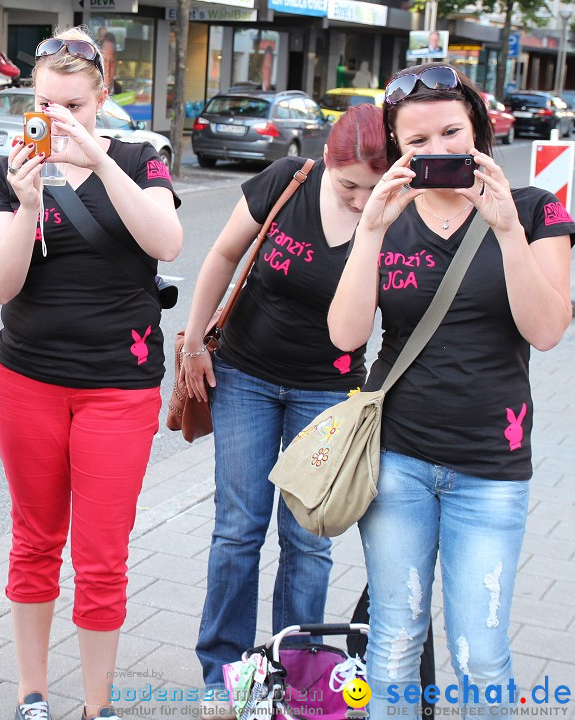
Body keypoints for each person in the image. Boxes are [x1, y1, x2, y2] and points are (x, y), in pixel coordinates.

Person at [328, 64, 573, 713]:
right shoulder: (388, 219)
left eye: (450, 132)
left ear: (478, 129)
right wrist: (373, 229)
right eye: (416, 144)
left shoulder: (533, 209)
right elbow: (346, 337)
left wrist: (506, 231)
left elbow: (547, 330)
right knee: (393, 642)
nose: (437, 152)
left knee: (481, 654)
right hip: (396, 462)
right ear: (397, 152)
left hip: (490, 470)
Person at [0, 27, 182, 720]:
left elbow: (166, 240)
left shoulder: (138, 157)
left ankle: (100, 706)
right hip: (28, 382)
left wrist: (95, 157)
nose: (56, 116)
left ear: (102, 97)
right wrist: (29, 202)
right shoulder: (14, 169)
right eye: (44, 102)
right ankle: (31, 692)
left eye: (72, 103)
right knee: (35, 539)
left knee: (102, 556)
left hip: (118, 389)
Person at [180, 104, 386, 713]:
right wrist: (193, 343)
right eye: (349, 186)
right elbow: (221, 257)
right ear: (326, 162)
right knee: (238, 528)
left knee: (309, 539)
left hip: (329, 393)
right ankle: (225, 673)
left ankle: (298, 673)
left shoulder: (391, 216)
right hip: (245, 374)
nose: (357, 200)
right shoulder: (286, 181)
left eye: (370, 190)